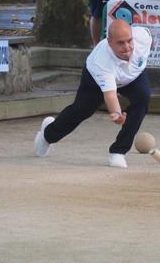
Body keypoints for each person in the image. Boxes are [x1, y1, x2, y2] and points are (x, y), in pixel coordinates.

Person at [33, 20, 152, 168]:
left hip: (132, 77)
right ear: (109, 42)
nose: (127, 47)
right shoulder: (101, 62)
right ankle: (47, 135)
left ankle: (118, 151)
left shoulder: (143, 37)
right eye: (121, 43)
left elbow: (146, 38)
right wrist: (117, 114)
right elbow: (110, 95)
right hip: (95, 80)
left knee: (143, 97)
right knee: (81, 111)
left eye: (129, 41)